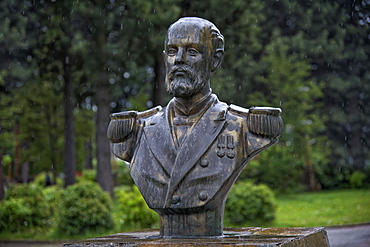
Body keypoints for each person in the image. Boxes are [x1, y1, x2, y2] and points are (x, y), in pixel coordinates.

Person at [107, 17, 283, 237]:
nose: (179, 60)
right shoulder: (139, 130)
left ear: (215, 60)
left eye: (192, 51)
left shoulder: (242, 127)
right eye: (172, 51)